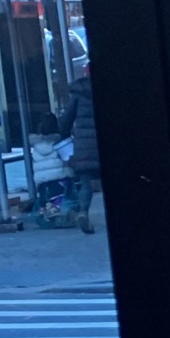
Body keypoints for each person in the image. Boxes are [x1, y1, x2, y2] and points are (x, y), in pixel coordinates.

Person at [57, 62, 99, 232]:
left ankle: (83, 212)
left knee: (86, 183)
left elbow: (66, 120)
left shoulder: (78, 93)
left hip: (83, 145)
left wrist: (65, 137)